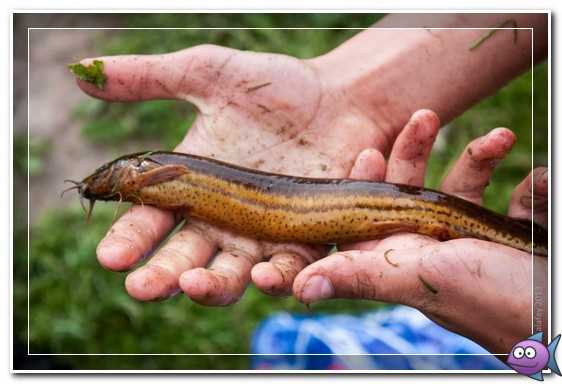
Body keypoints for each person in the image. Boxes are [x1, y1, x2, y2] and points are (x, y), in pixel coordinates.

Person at [74, 13, 548, 355]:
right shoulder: (160, 175)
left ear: (141, 174)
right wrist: (350, 94)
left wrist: (543, 320)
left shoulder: (158, 171)